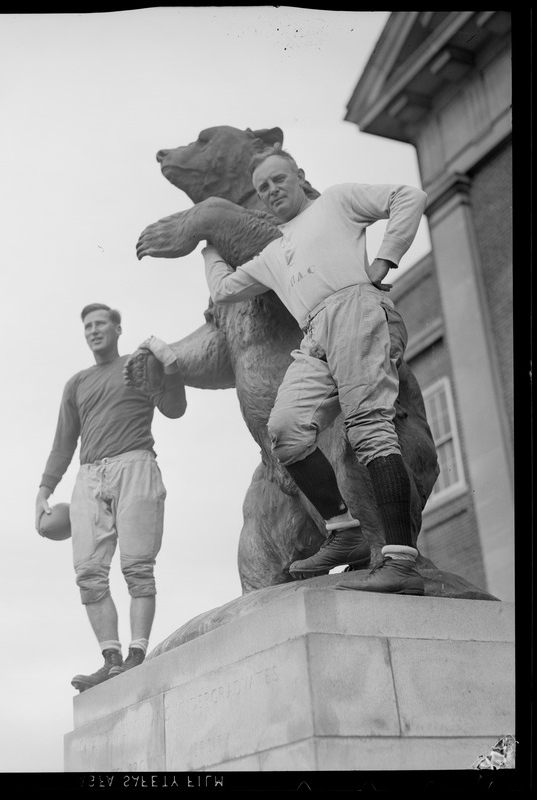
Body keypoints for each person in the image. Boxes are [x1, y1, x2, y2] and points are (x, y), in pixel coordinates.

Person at [201, 146, 428, 594]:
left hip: (356, 310)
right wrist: (208, 249)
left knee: (368, 431)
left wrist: (385, 260)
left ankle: (401, 562)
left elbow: (408, 196)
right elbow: (226, 289)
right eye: (262, 188)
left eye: (278, 180)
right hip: (315, 334)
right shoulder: (275, 251)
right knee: (285, 430)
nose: (270, 191)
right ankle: (344, 531)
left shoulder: (336, 202)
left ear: (299, 177)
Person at [35, 303, 187, 691]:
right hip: (89, 475)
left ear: (118, 330)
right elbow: (63, 443)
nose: (93, 330)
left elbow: (174, 409)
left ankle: (137, 654)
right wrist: (44, 490)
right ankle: (111, 658)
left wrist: (171, 369)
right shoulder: (77, 383)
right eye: (88, 326)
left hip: (135, 464)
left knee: (137, 567)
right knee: (88, 573)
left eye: (101, 323)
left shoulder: (138, 366)